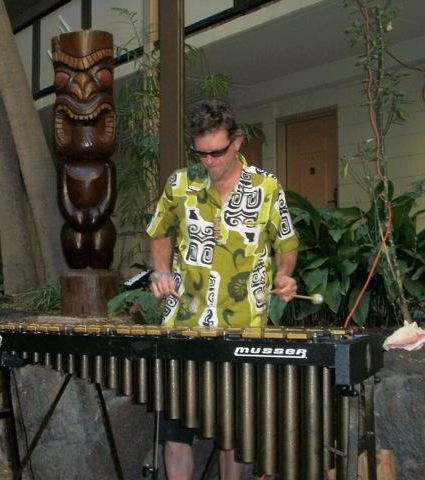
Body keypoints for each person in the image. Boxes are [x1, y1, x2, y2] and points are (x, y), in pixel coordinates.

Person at [146, 101, 299, 480]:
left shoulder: (266, 187)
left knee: (234, 437)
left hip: (243, 328)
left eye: (217, 152)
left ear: (237, 142)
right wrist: (161, 271)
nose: (209, 161)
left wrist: (284, 275)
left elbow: (286, 243)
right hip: (184, 325)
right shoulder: (180, 185)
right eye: (201, 153)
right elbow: (159, 232)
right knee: (177, 432)